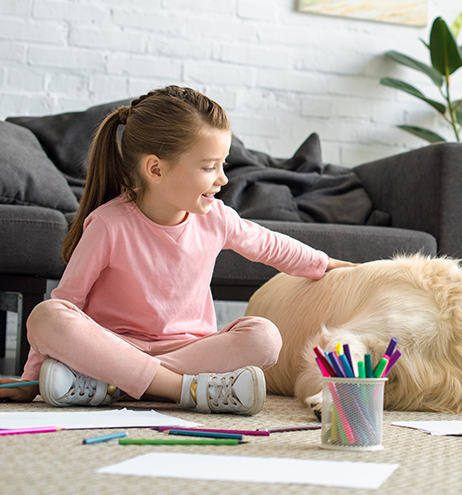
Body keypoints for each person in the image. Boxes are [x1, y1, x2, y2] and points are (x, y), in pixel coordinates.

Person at [0, 86, 356, 415]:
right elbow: (68, 302)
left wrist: (325, 264)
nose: (223, 179)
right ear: (155, 169)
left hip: (187, 352)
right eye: (208, 167)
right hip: (114, 348)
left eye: (223, 164)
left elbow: (270, 245)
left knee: (264, 337)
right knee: (47, 315)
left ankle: (114, 385)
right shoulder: (108, 224)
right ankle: (181, 390)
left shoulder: (216, 218)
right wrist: (30, 381)